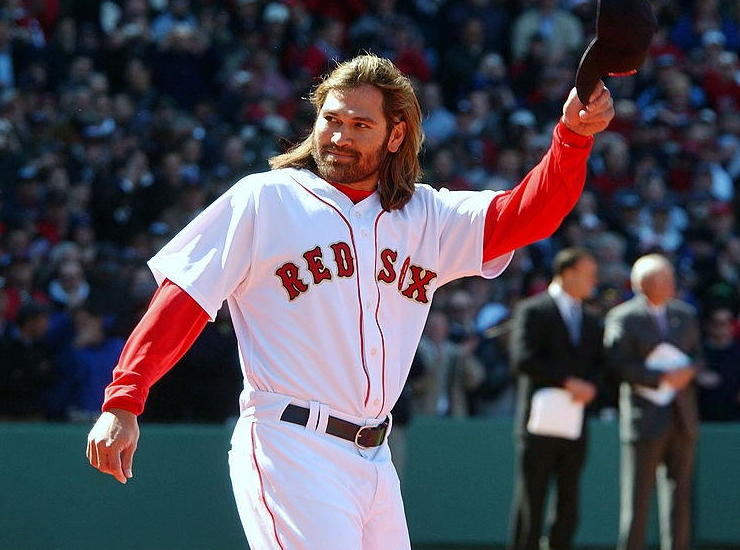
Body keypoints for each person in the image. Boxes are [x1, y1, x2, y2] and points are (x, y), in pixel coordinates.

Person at [85, 54, 614, 550]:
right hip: (291, 444)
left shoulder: (427, 216)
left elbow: (530, 214)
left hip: (374, 458)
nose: (339, 136)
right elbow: (183, 297)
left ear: (395, 134)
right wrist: (124, 399)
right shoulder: (267, 198)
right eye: (331, 119)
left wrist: (572, 138)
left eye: (361, 124)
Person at [509, 247, 604, 550]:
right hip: (538, 423)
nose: (594, 281)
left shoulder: (591, 319)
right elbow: (523, 359)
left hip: (576, 421)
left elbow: (601, 366)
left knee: (568, 500)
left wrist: (591, 388)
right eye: (588, 275)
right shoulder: (534, 310)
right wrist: (566, 382)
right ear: (568, 273)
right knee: (531, 500)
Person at [604, 254, 701, 550]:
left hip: (681, 416)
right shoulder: (623, 317)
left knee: (680, 497)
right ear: (643, 283)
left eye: (670, 277)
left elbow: (698, 356)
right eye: (663, 278)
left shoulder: (685, 314)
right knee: (638, 498)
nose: (670, 283)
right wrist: (660, 378)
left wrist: (688, 372)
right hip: (644, 418)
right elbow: (618, 364)